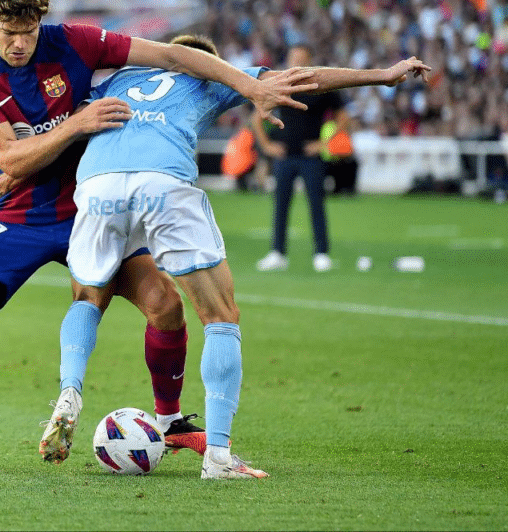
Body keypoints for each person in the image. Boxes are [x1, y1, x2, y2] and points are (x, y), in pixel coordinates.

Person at [0, 0, 312, 474]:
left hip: (93, 208)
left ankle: (171, 422)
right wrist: (77, 124)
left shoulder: (76, 43)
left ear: (41, 21)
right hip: (18, 213)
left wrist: (248, 85)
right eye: (9, 33)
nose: (20, 44)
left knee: (164, 305)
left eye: (29, 32)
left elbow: (173, 54)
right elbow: (12, 159)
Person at [59, 34, 429, 478]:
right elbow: (304, 80)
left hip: (97, 184)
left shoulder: (118, 79)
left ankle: (68, 390)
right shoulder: (211, 78)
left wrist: (2, 174)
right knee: (220, 316)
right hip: (162, 181)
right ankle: (218, 456)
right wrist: (381, 75)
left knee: (86, 299)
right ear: (212, 63)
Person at [253, 44, 348, 273]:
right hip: (285, 155)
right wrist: (267, 145)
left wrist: (323, 144)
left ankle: (321, 254)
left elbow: (343, 117)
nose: (297, 63)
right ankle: (277, 253)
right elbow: (257, 116)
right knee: (280, 205)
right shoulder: (279, 85)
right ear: (288, 61)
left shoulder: (320, 86)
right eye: (293, 59)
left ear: (310, 61)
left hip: (310, 156)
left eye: (301, 59)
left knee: (316, 204)